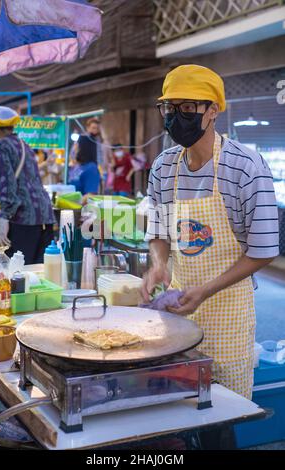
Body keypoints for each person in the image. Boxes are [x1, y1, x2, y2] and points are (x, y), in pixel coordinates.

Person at [142, 65, 279, 399]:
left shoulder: (246, 167)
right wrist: (159, 265)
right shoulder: (163, 167)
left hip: (227, 313)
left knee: (222, 410)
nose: (176, 117)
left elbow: (263, 250)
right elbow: (159, 230)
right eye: (169, 108)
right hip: (176, 310)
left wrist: (205, 290)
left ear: (213, 110)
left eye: (188, 108)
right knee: (175, 401)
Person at [0, 106, 55, 264]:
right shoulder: (25, 145)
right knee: (38, 273)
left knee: (17, 274)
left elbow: (6, 183)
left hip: (23, 219)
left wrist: (5, 216)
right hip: (45, 217)